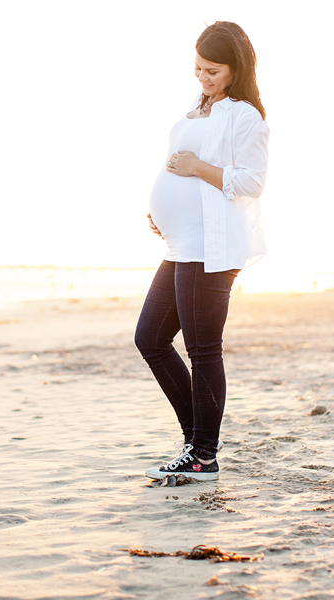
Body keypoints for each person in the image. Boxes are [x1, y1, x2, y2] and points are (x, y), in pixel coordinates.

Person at [135, 21, 269, 481]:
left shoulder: (245, 116)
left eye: (213, 70)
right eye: (197, 68)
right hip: (180, 242)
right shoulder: (197, 105)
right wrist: (165, 209)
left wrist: (194, 169)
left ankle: (204, 455)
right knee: (149, 339)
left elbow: (250, 182)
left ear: (236, 69)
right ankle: (196, 442)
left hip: (210, 248)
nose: (203, 77)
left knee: (203, 350)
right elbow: (179, 168)